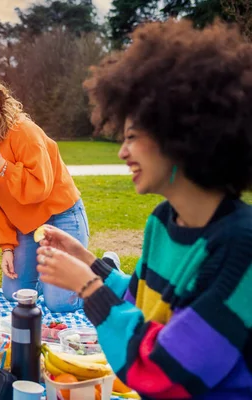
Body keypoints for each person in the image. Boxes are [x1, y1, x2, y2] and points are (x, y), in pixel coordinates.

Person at [36, 19, 252, 398]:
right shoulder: (162, 222)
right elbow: (141, 303)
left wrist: (87, 288)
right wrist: (89, 262)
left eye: (132, 137)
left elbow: (164, 371)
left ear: (180, 133)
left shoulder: (241, 246)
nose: (122, 152)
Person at [0, 77, 89, 312]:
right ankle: (54, 278)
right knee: (14, 294)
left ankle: (103, 273)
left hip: (61, 216)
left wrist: (2, 165)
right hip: (26, 226)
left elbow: (40, 189)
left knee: (60, 304)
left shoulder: (24, 132)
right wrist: (6, 246)